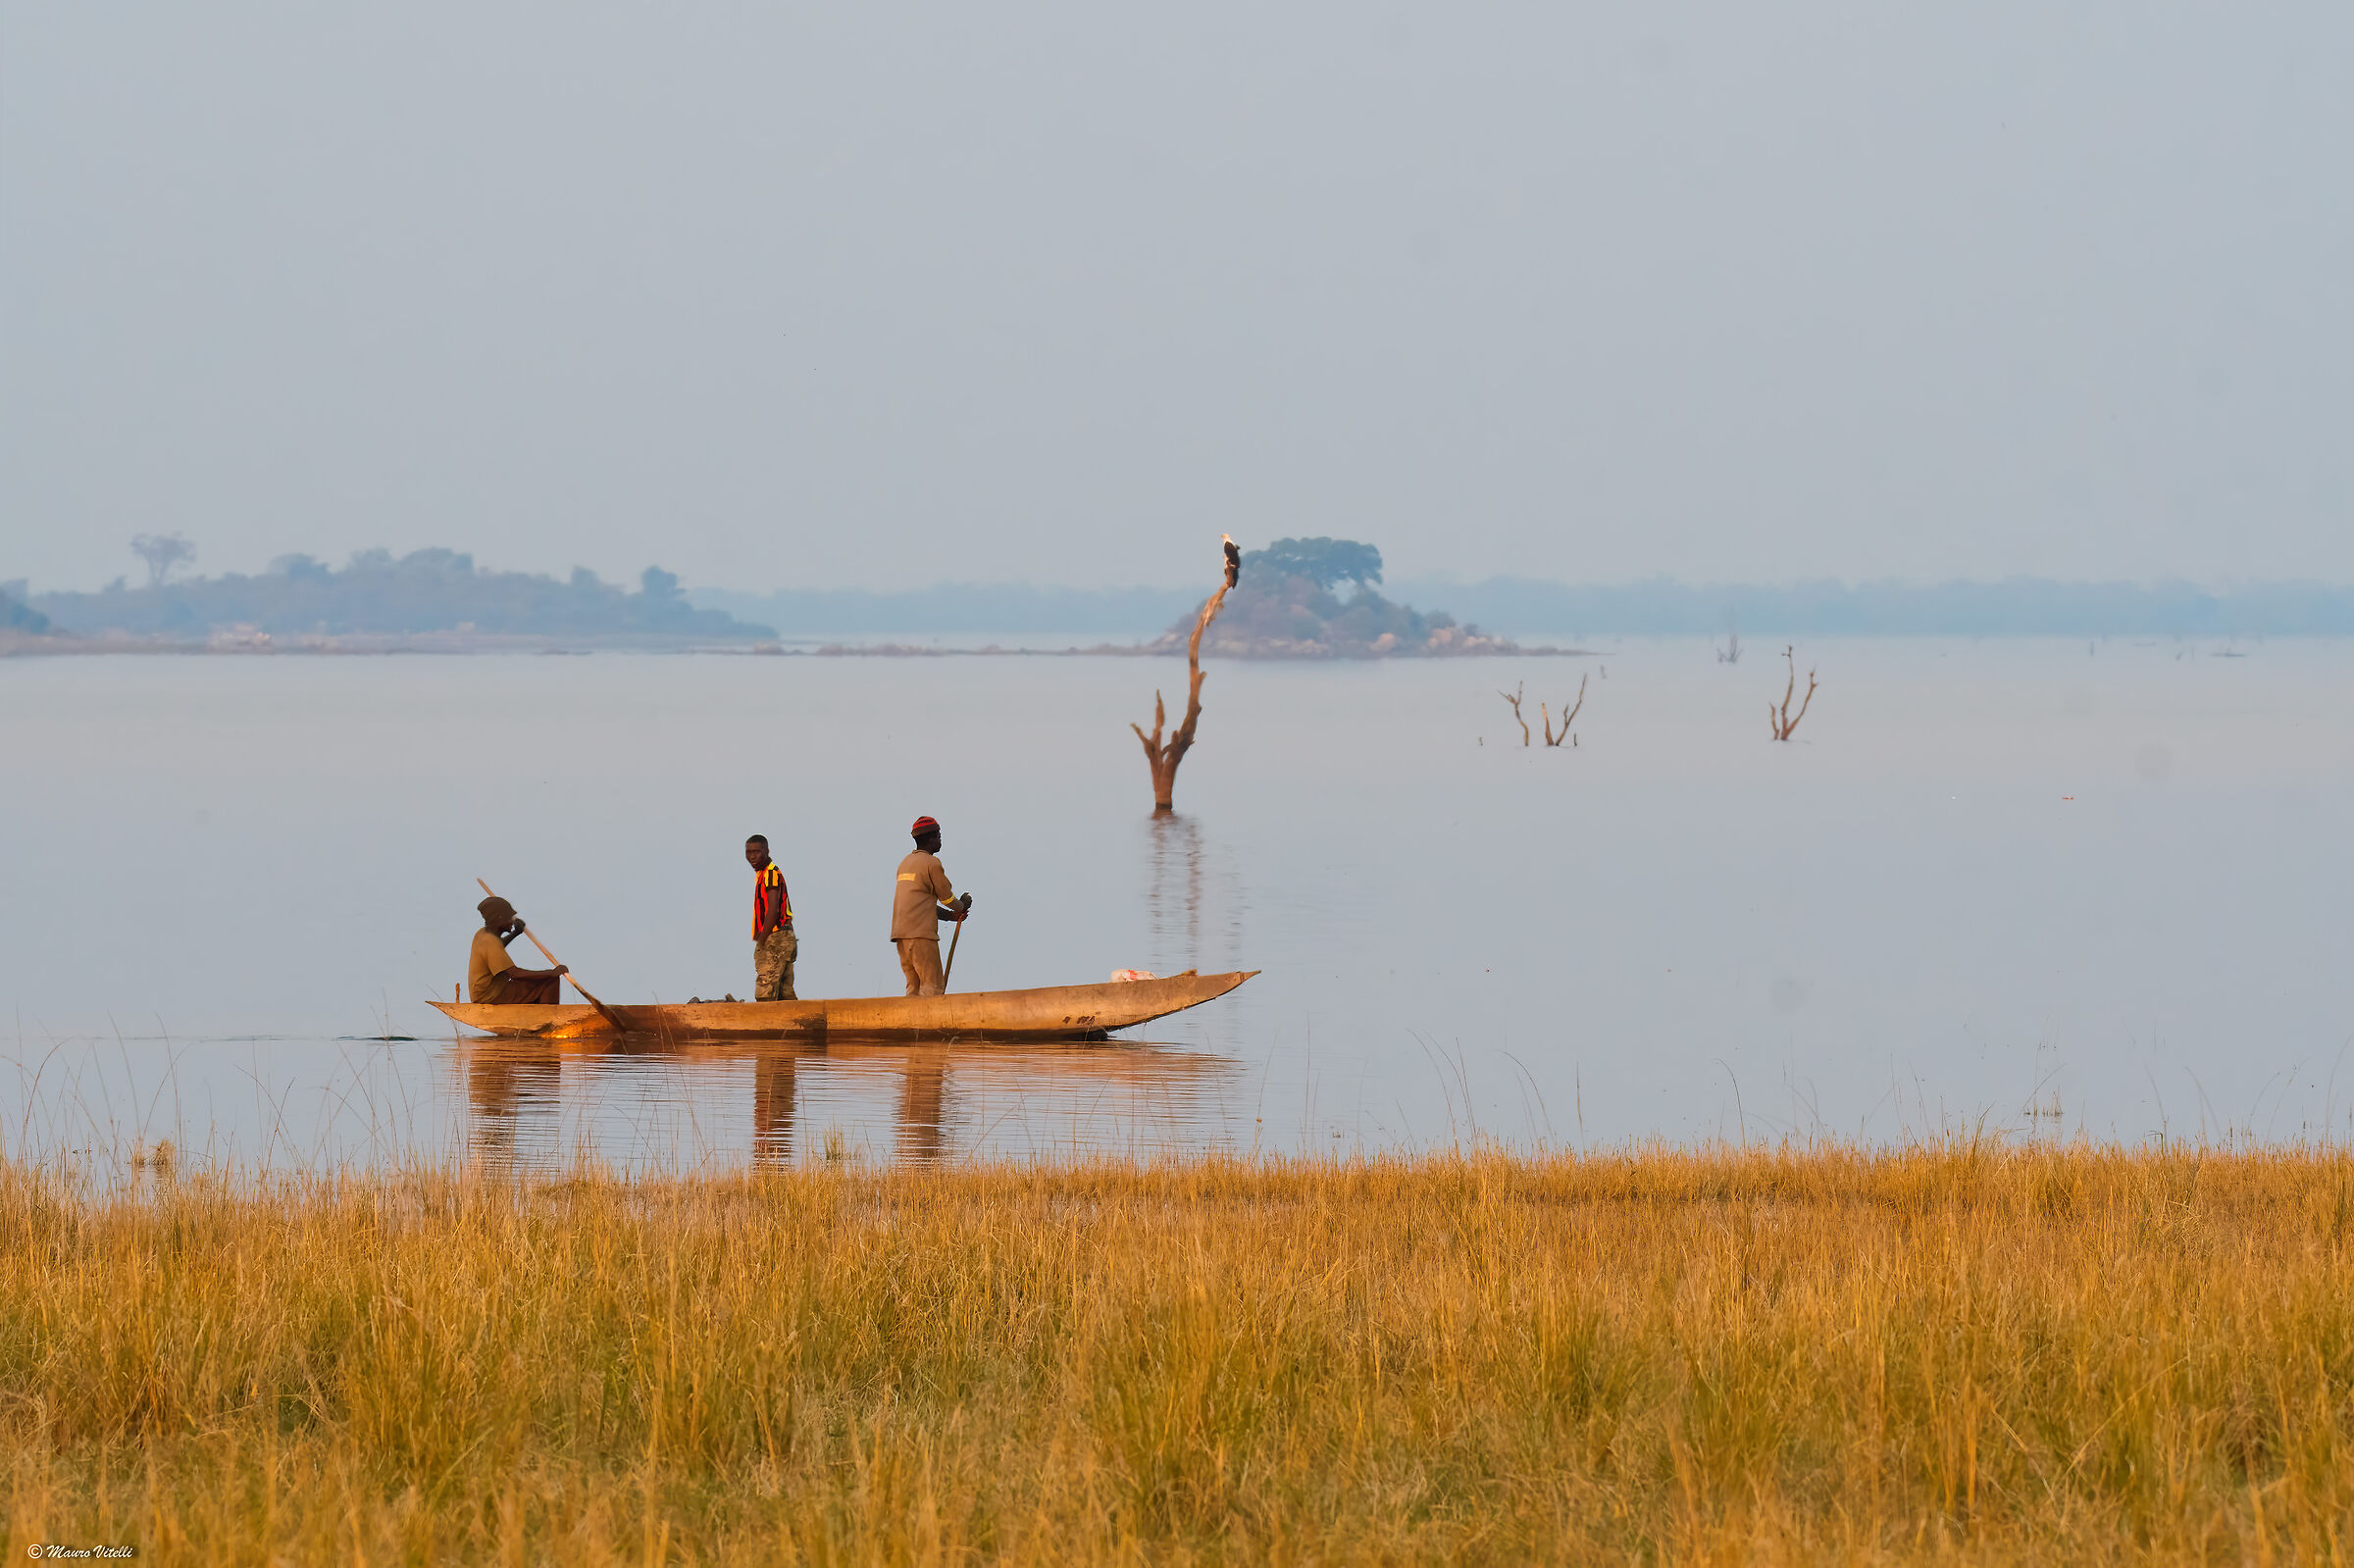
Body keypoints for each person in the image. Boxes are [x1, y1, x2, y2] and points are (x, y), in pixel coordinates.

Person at [891, 815, 971, 996]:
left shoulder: (905, 864)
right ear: (932, 838)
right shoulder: (931, 864)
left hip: (902, 937)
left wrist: (951, 917)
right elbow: (947, 899)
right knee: (932, 989)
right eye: (939, 835)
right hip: (921, 936)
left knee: (913, 990)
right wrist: (961, 906)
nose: (940, 840)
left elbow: (921, 906)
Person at [467, 896, 566, 1003]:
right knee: (550, 981)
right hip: (490, 997)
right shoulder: (490, 941)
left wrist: (516, 933)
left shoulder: (483, 933)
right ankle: (549, 1018)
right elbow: (514, 974)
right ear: (499, 918)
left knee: (541, 981)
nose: (512, 921)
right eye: (509, 918)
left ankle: (537, 1014)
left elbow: (498, 947)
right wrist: (551, 973)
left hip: (489, 992)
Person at [745, 834, 797, 1001]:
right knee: (785, 992)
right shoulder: (764, 874)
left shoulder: (770, 874)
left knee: (765, 991)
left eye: (757, 852)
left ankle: (766, 1025)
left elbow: (773, 909)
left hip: (776, 937)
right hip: (785, 936)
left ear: (766, 851)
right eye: (749, 852)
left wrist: (762, 939)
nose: (752, 856)